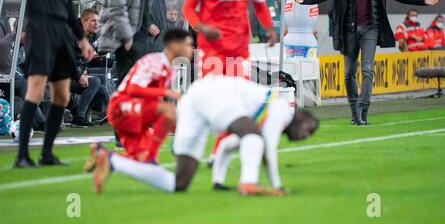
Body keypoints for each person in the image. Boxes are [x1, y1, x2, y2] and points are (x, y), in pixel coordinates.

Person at [293, 0, 441, 126]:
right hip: (348, 30)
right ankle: (354, 111)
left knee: (367, 69)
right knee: (349, 73)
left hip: (371, 28)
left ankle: (363, 110)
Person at [88, 75, 319, 196]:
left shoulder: (266, 112)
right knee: (254, 138)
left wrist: (218, 180)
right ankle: (248, 184)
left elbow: (230, 145)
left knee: (178, 184)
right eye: (308, 130)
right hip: (212, 94)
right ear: (299, 117)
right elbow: (266, 148)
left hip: (194, 100)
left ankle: (111, 160)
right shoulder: (281, 108)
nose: (304, 136)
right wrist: (277, 185)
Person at [182, 0, 277, 166]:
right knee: (214, 99)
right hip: (212, 48)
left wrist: (270, 30)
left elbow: (260, 6)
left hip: (239, 47)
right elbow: (188, 9)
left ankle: (217, 152)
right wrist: (201, 27)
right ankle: (190, 144)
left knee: (236, 101)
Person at [13, 0, 94, 168]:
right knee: (36, 90)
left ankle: (47, 153)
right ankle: (22, 156)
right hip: (40, 30)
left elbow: (69, 9)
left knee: (63, 94)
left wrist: (82, 39)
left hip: (62, 33)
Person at [86, 29, 193, 169]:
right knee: (169, 110)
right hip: (121, 107)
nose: (191, 49)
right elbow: (133, 90)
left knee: (139, 162)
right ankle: (154, 156)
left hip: (137, 113)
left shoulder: (170, 66)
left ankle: (106, 156)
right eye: (188, 44)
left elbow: (154, 99)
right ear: (173, 45)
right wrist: (167, 92)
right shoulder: (154, 61)